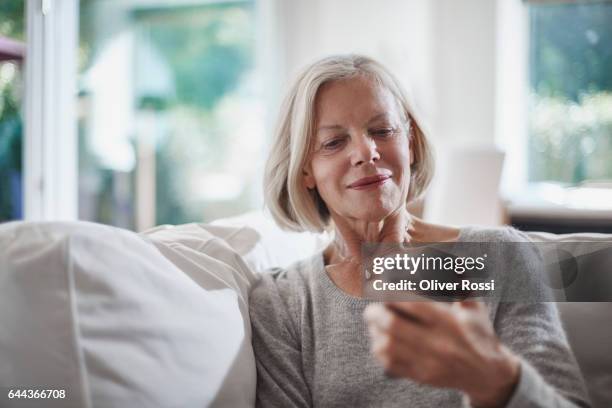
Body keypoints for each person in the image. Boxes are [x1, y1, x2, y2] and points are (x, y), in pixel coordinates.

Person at [249, 54, 589, 408]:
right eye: (334, 142)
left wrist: (494, 378)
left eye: (382, 131)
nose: (367, 152)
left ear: (409, 143)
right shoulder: (282, 302)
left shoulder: (499, 257)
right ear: (305, 170)